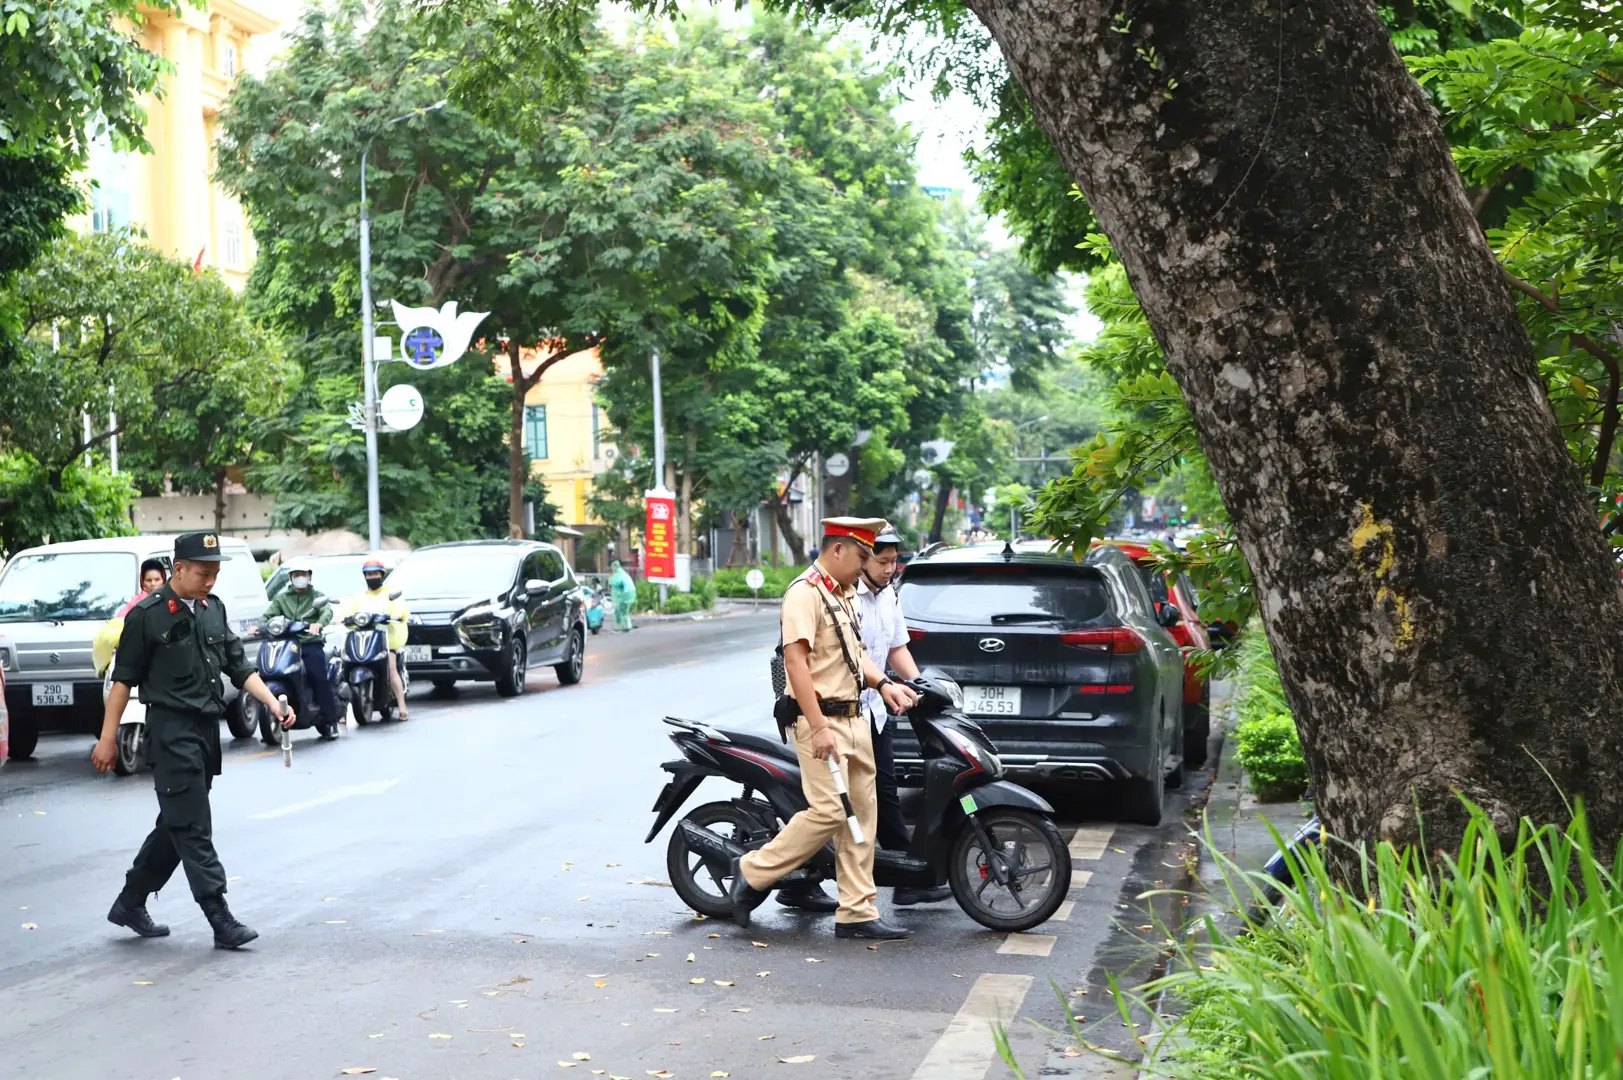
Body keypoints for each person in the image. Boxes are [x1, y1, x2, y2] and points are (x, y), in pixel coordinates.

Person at [92, 531, 294, 949]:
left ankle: (130, 902)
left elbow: (239, 667)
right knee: (194, 825)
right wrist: (107, 739)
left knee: (176, 824)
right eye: (203, 573)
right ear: (178, 569)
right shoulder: (146, 616)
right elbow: (122, 681)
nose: (210, 581)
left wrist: (273, 703)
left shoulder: (212, 610)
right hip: (170, 731)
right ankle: (219, 917)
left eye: (216, 573)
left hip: (206, 731)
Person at [727, 517, 919, 940]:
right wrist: (818, 728)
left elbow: (857, 655)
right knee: (831, 811)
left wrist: (885, 684)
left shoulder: (845, 593)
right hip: (822, 720)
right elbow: (796, 662)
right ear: (837, 550)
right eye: (861, 557)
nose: (866, 566)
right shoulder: (804, 594)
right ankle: (752, 870)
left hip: (857, 717)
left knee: (862, 820)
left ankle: (856, 912)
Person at [855, 523, 951, 906]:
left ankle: (906, 875)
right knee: (835, 803)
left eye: (894, 562)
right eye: (883, 561)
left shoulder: (888, 595)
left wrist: (922, 686)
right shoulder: (846, 597)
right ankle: (802, 880)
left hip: (875, 709)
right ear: (863, 558)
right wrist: (883, 685)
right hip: (843, 711)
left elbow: (897, 648)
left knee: (885, 793)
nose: (889, 569)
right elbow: (852, 655)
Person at [257, 561, 341, 737]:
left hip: (310, 642)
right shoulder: (282, 598)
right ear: (290, 578)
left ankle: (330, 720)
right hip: (287, 644)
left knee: (318, 677)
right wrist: (260, 626)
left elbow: (326, 611)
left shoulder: (317, 596)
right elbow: (267, 616)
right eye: (295, 575)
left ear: (309, 576)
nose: (299, 578)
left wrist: (318, 624)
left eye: (302, 574)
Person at [334, 559, 410, 721]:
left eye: (375, 573)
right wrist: (343, 619)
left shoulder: (390, 593)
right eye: (369, 574)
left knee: (391, 668)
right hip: (363, 640)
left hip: (385, 639)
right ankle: (342, 710)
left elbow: (400, 609)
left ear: (382, 575)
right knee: (343, 668)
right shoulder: (359, 596)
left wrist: (395, 615)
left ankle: (402, 706)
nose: (372, 576)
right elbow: (347, 612)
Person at [609, 559, 636, 632]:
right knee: (624, 612)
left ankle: (620, 626)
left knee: (620, 611)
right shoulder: (623, 574)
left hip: (621, 596)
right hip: (627, 595)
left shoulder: (618, 575)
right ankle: (626, 625)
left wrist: (611, 578)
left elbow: (613, 583)